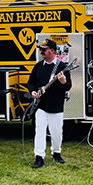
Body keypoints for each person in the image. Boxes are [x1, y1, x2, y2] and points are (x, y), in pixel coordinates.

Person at [27, 39, 72, 169]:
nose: (41, 52)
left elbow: (68, 86)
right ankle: (39, 156)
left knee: (56, 131)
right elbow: (30, 82)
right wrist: (33, 92)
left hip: (56, 105)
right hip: (41, 105)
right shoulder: (38, 66)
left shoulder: (62, 67)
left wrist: (63, 81)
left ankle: (56, 153)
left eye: (44, 50)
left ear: (52, 51)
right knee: (39, 130)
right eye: (41, 49)